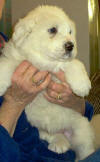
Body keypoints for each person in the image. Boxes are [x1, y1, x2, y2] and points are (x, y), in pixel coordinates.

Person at [0, 0, 99, 162]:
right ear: (27, 31)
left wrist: (74, 101)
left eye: (69, 32)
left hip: (67, 138)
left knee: (85, 140)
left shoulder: (5, 42)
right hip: (34, 154)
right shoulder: (14, 55)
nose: (69, 41)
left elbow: (86, 111)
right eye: (52, 30)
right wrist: (13, 102)